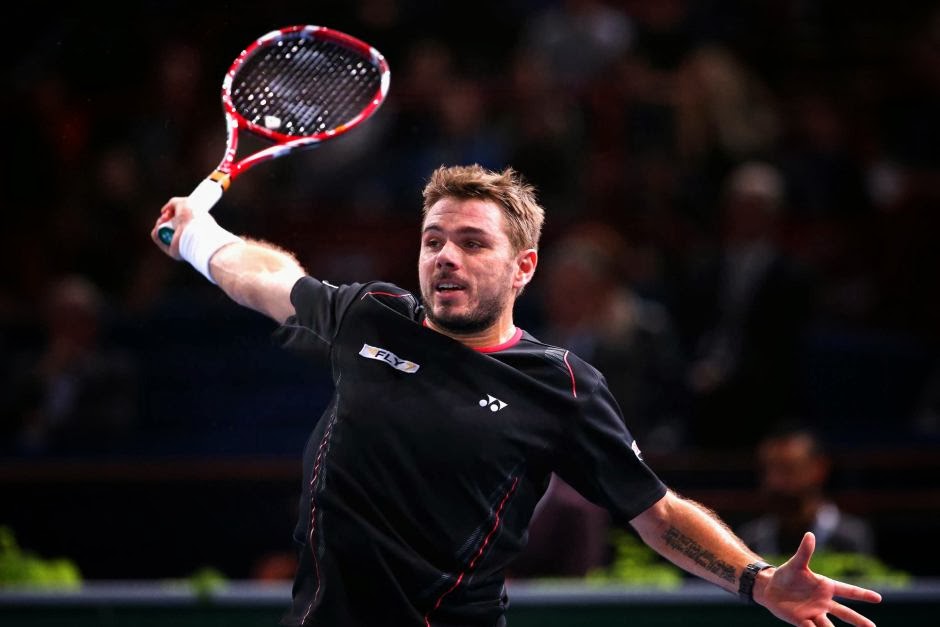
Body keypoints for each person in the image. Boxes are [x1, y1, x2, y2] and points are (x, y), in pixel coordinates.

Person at [151, 164, 880, 627]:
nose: (446, 257)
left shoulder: (559, 384)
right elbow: (267, 278)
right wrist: (197, 239)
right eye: (434, 240)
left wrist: (756, 580)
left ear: (523, 267)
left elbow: (657, 513)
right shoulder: (371, 315)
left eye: (473, 242)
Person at [737, 425, 877, 558]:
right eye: (767, 470)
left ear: (819, 468)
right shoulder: (750, 539)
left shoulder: (851, 537)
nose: (774, 481)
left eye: (787, 469)